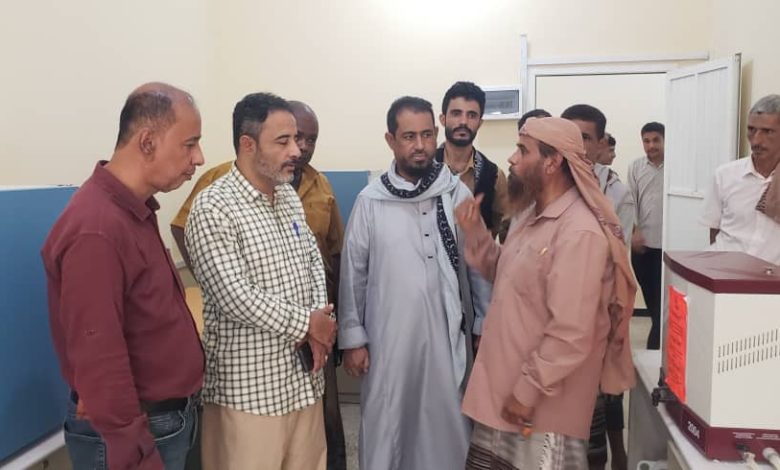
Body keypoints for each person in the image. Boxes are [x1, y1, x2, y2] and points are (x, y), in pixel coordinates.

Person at [170, 100, 347, 470]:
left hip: (304, 382)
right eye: (283, 141)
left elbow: (314, 262)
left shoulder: (287, 197)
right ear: (248, 144)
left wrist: (320, 322)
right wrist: (308, 323)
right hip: (250, 394)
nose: (296, 150)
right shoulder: (214, 206)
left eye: (297, 139)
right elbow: (234, 295)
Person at [41, 82, 205, 470]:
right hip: (135, 435)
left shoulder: (132, 211)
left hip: (162, 420)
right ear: (147, 142)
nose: (198, 158)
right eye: (189, 144)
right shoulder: (96, 228)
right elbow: (99, 355)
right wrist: (134, 451)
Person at [457, 117, 636, 470]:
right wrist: (475, 232)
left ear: (552, 163)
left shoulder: (579, 231)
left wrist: (527, 391)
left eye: (523, 151)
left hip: (540, 405)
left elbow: (571, 332)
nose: (512, 159)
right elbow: (506, 274)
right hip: (506, 388)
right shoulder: (529, 216)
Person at [338, 96, 490, 470]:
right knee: (390, 424)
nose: (420, 145)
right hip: (389, 341)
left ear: (436, 134)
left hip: (446, 336)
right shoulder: (370, 201)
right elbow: (353, 272)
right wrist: (353, 339)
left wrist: (483, 327)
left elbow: (478, 265)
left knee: (447, 425)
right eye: (409, 136)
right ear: (391, 140)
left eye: (426, 134)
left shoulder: (456, 193)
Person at [701, 94, 780, 266]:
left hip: (771, 277)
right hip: (725, 273)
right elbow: (714, 230)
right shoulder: (725, 175)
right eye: (751, 130)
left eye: (767, 132)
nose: (756, 140)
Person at [437, 81, 508, 239]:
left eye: (472, 115)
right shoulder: (425, 168)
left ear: (480, 123)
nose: (463, 121)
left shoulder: (494, 176)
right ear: (443, 119)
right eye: (456, 113)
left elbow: (504, 231)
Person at [562, 104, 634, 243]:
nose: (576, 143)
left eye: (584, 137)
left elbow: (619, 250)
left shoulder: (617, 194)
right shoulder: (540, 183)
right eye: (570, 135)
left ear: (600, 144)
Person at [627, 121, 665, 350]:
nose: (651, 145)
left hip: (668, 248)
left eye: (656, 140)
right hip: (643, 248)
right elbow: (630, 201)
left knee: (663, 306)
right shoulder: (635, 167)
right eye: (646, 141)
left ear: (665, 141)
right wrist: (634, 231)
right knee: (653, 303)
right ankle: (658, 345)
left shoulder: (676, 166)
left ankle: (655, 348)